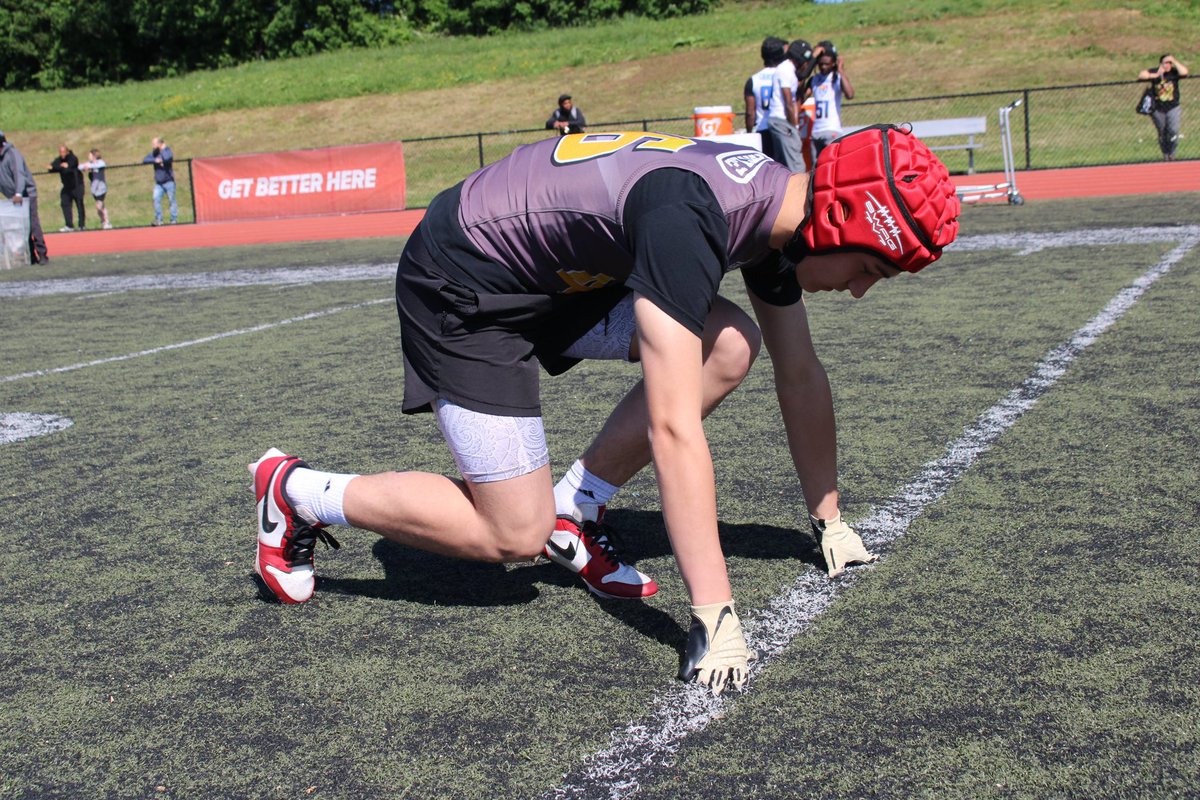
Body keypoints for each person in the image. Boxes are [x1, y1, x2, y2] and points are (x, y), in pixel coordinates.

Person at [249, 126, 960, 695]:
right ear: (836, 222)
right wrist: (715, 612)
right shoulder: (694, 216)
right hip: (465, 282)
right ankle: (298, 494)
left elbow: (800, 374)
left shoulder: (775, 207)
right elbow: (675, 427)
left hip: (559, 275)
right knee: (513, 535)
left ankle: (577, 509)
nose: (863, 290)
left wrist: (829, 519)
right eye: (871, 269)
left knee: (729, 345)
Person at [764, 40, 814, 172]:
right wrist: (795, 127)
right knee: (796, 166)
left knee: (783, 166)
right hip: (782, 121)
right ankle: (801, 192)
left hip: (780, 121)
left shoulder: (789, 69)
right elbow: (788, 102)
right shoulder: (785, 70)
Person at [0, 131, 49, 264]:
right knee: (22, 227)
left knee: (33, 224)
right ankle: (31, 256)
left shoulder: (12, 154)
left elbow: (19, 174)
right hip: (13, 197)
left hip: (26, 194)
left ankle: (42, 254)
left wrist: (18, 193)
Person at [807, 44, 856, 163]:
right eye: (820, 64)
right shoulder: (815, 79)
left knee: (833, 166)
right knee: (815, 171)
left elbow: (850, 94)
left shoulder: (836, 78)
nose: (823, 67)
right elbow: (801, 97)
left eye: (826, 64)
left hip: (832, 130)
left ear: (833, 63)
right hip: (816, 132)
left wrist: (840, 70)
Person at [744, 37, 788, 161]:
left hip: (762, 130)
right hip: (781, 128)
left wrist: (749, 133)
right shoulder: (784, 75)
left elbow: (750, 113)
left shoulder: (753, 79)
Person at [1138, 54, 1189, 161]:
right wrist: (1155, 75)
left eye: (1170, 63)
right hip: (1157, 108)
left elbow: (1185, 72)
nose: (1168, 65)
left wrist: (1174, 61)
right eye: (1166, 62)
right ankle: (1166, 155)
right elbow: (1141, 75)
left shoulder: (1174, 72)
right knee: (1162, 132)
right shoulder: (1155, 71)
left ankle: (1172, 153)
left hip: (1173, 107)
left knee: (1173, 131)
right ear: (1161, 63)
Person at [48, 144, 85, 231]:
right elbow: (51, 167)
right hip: (66, 187)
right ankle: (69, 225)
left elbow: (70, 167)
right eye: (60, 152)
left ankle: (81, 225)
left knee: (79, 204)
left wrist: (59, 167)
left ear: (67, 152)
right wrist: (61, 166)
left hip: (77, 185)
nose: (62, 154)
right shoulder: (59, 159)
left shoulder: (73, 158)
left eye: (63, 152)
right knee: (65, 204)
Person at [142, 137, 178, 224]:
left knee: (172, 200)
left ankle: (173, 219)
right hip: (159, 183)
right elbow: (144, 160)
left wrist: (162, 151)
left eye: (154, 144)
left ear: (159, 144)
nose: (152, 146)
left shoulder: (167, 150)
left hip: (169, 181)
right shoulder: (155, 153)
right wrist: (155, 160)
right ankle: (159, 219)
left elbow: (168, 157)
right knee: (155, 199)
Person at [80, 149, 112, 229]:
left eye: (90, 155)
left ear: (94, 156)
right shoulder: (90, 163)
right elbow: (80, 166)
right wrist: (84, 167)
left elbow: (101, 165)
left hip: (101, 188)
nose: (88, 157)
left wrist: (90, 166)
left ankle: (106, 222)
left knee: (99, 206)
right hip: (94, 189)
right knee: (100, 208)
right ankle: (104, 221)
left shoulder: (100, 162)